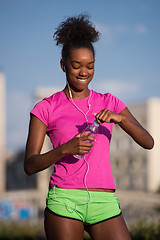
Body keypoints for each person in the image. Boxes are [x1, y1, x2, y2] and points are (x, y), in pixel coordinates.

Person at [24, 14, 154, 240]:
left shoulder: (110, 102)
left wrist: (121, 120)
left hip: (104, 202)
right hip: (65, 201)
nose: (84, 72)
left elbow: (148, 142)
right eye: (76, 66)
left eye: (90, 66)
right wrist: (65, 149)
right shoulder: (46, 107)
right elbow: (30, 164)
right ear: (63, 65)